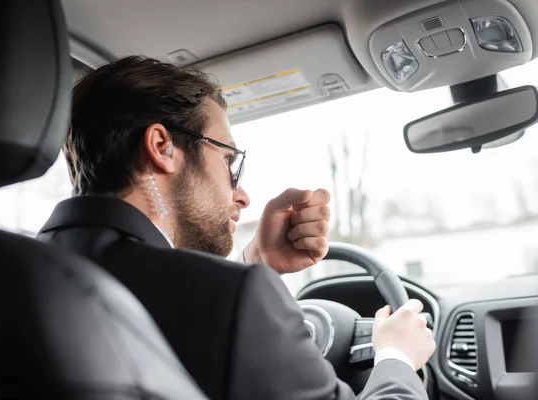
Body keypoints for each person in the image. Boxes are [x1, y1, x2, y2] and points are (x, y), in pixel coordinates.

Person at [37, 55, 435, 400]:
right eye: (229, 163)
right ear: (162, 147)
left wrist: (254, 262)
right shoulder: (234, 297)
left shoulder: (17, 272)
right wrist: (396, 356)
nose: (242, 196)